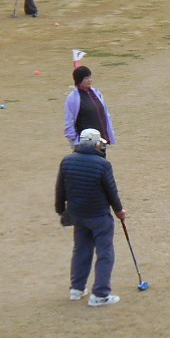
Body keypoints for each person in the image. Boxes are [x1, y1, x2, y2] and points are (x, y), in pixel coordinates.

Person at [55, 128, 126, 306]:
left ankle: (77, 289)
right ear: (95, 144)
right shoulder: (102, 164)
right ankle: (100, 294)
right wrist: (119, 211)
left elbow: (60, 189)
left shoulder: (67, 161)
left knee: (81, 250)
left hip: (78, 215)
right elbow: (111, 191)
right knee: (105, 253)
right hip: (99, 216)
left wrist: (60, 211)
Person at [64, 65, 115, 147]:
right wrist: (73, 139)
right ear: (79, 80)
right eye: (86, 78)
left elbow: (105, 113)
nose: (90, 80)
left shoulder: (96, 93)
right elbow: (70, 120)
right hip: (85, 142)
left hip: (100, 139)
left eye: (90, 77)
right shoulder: (72, 98)